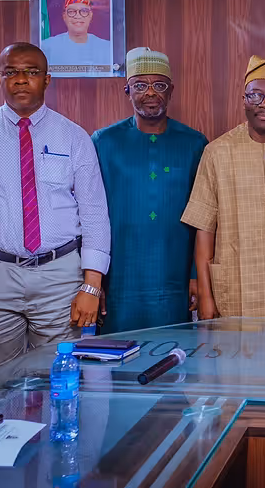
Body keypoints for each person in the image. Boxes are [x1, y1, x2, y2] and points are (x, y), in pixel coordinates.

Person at [0, 43, 111, 371]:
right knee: (0, 383)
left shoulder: (74, 137)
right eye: (11, 72)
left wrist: (91, 286)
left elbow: (94, 214)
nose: (21, 79)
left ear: (47, 79)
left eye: (32, 72)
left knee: (60, 379)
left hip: (60, 276)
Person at [182, 54, 265, 319]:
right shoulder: (217, 152)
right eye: (255, 95)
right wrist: (206, 296)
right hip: (236, 287)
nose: (264, 104)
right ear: (244, 100)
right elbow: (204, 230)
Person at [92, 47, 208, 333]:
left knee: (173, 351)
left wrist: (197, 276)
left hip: (175, 274)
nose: (151, 93)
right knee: (117, 353)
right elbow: (90, 215)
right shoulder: (103, 142)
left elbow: (204, 218)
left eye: (160, 85)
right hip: (119, 277)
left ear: (171, 91)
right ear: (127, 90)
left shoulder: (195, 144)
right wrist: (94, 281)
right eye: (140, 85)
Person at [41, 0, 112, 67]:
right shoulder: (47, 46)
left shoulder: (106, 48)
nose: (78, 16)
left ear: (90, 16)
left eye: (84, 11)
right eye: (71, 11)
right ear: (64, 16)